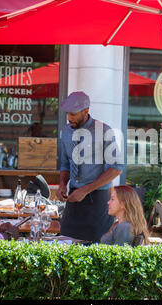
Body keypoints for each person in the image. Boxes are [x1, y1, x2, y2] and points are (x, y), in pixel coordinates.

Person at [57, 91, 124, 242]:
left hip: (98, 199)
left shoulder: (104, 131)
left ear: (86, 111)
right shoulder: (66, 131)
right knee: (65, 242)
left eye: (73, 114)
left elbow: (117, 167)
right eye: (67, 113)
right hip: (73, 197)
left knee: (95, 248)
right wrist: (62, 184)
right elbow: (65, 163)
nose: (69, 118)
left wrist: (86, 190)